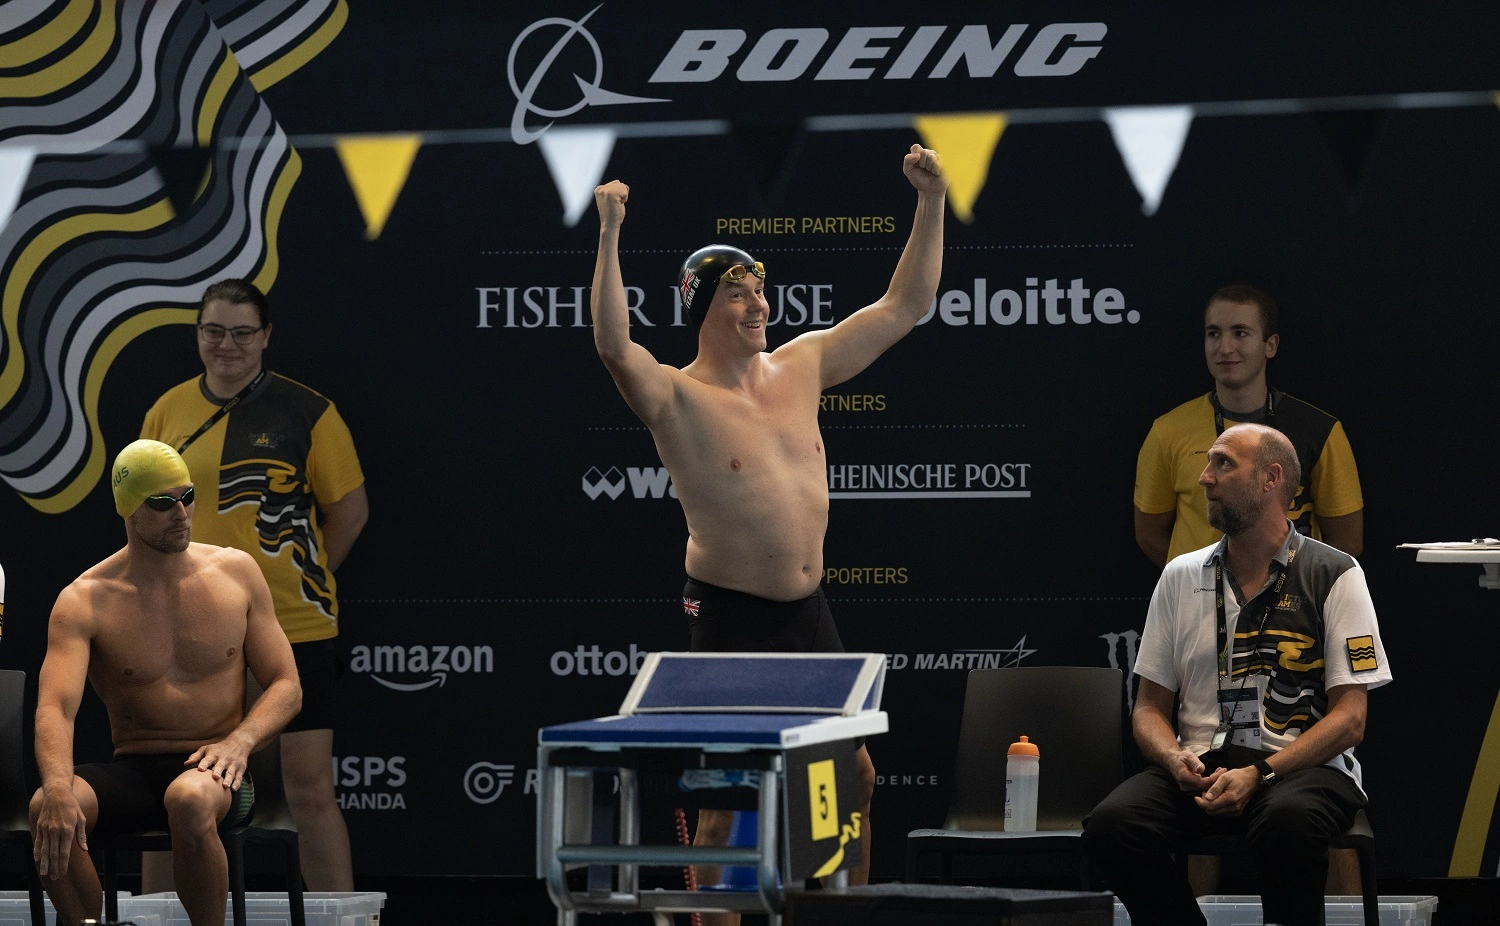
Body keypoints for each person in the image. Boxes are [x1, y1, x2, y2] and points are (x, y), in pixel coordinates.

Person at [591, 145, 946, 912]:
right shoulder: (676, 398)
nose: (758, 306)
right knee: (726, 803)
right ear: (701, 309)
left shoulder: (801, 366)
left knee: (852, 778)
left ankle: (839, 919)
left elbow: (904, 306)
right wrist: (611, 231)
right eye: (737, 294)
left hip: (807, 614)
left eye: (760, 291)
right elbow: (615, 347)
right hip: (732, 618)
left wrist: (931, 201)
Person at [1085, 424, 1392, 926]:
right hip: (1202, 764)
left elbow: (1351, 719)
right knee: (1112, 826)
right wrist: (1173, 757)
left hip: (1301, 770)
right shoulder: (1180, 575)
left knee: (1288, 821)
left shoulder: (1334, 573)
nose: (1205, 477)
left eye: (1223, 463)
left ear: (1272, 478)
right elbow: (1148, 709)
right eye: (1209, 462)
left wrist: (1262, 773)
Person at [139, 279, 367, 890]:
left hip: (295, 627)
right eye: (214, 331)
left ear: (266, 336)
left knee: (306, 789)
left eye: (242, 332)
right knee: (170, 789)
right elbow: (144, 514)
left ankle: (340, 921)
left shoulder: (310, 411)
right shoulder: (166, 412)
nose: (227, 345)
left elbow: (349, 512)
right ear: (198, 335)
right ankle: (157, 917)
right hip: (189, 628)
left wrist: (298, 582)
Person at [29, 439, 301, 926]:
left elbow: (287, 685)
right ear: (129, 509)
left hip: (216, 771)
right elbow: (56, 708)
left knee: (188, 799)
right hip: (133, 769)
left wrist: (240, 743)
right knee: (45, 808)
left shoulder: (236, 572)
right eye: (162, 502)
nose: (181, 512)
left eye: (187, 496)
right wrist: (56, 788)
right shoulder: (85, 599)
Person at [1134, 284, 1364, 569]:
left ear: (1271, 345)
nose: (1225, 347)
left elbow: (1347, 541)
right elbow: (1149, 534)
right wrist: (1200, 581)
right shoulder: (1168, 431)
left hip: (1292, 596)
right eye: (1213, 333)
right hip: (1200, 594)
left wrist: (1295, 586)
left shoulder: (1320, 431)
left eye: (1240, 333)